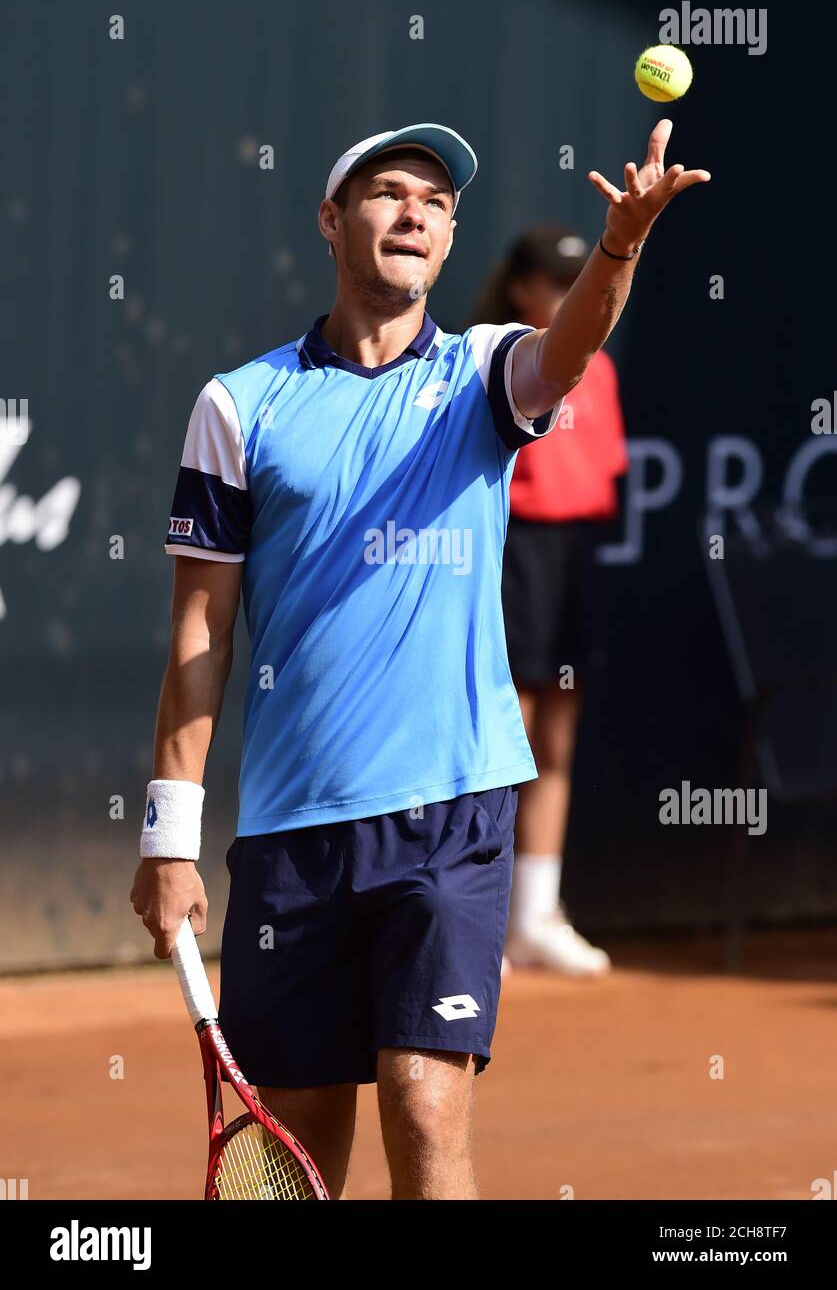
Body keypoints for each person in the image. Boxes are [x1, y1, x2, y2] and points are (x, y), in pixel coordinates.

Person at [130, 119, 709, 1200]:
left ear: (448, 243)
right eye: (389, 193)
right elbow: (199, 636)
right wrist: (169, 836)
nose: (413, 214)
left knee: (425, 1102)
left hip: (453, 811)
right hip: (291, 835)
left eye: (435, 203)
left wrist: (620, 247)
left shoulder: (486, 371)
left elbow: (570, 347)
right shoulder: (237, 405)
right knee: (298, 1142)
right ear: (331, 220)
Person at [469, 225, 628, 975]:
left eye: (579, 279)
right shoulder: (501, 361)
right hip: (514, 550)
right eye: (555, 281)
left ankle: (534, 917)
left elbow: (604, 472)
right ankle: (481, 915)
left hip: (576, 556)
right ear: (518, 288)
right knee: (507, 735)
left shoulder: (596, 367)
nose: (569, 294)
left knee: (554, 740)